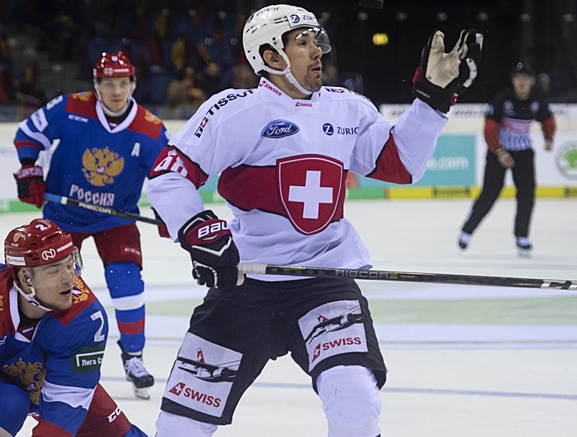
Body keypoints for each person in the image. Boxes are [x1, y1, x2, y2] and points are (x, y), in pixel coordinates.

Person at [147, 4, 482, 436]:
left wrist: (433, 101)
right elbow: (168, 177)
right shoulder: (234, 110)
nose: (317, 51)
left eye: (316, 41)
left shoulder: (347, 109)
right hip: (244, 285)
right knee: (179, 426)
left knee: (357, 403)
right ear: (271, 57)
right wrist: (198, 230)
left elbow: (401, 164)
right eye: (302, 43)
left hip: (324, 281)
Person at [12, 51, 170, 399]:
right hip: (63, 217)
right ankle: (42, 352)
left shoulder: (150, 128)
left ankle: (134, 356)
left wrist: (170, 208)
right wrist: (29, 169)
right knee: (58, 288)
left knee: (126, 280)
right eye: (109, 83)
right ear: (96, 85)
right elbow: (28, 134)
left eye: (123, 83)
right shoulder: (70, 107)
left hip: (116, 219)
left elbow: (167, 175)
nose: (116, 91)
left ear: (134, 83)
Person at [0, 218, 147, 436]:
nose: (70, 278)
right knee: (9, 404)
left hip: (50, 379)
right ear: (25, 277)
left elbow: (60, 419)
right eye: (55, 270)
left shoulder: (85, 319)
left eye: (70, 264)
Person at [458, 62, 556, 257]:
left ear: (531, 81)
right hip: (498, 154)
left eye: (526, 79)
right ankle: (467, 231)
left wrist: (549, 137)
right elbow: (489, 130)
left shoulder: (537, 101)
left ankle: (522, 237)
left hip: (523, 154)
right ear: (513, 80)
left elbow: (548, 120)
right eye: (518, 78)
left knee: (527, 196)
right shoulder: (501, 101)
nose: (522, 82)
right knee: (490, 194)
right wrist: (500, 151)